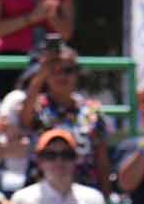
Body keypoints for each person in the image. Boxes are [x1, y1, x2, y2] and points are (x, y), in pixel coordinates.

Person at [15, 40, 113, 188]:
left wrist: (106, 198)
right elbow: (24, 120)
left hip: (83, 190)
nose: (62, 77)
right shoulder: (37, 105)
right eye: (55, 71)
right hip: (42, 190)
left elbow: (102, 160)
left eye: (68, 70)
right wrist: (41, 73)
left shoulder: (92, 111)